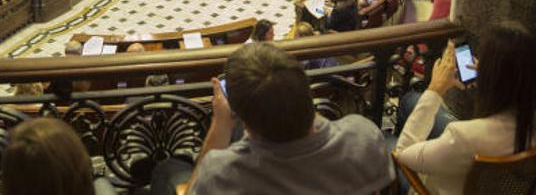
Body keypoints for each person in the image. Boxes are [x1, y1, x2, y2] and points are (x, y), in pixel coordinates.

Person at [150, 43, 395, 195]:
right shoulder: (364, 136)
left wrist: (220, 124)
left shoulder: (221, 173)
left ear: (244, 121)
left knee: (168, 171)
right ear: (306, 90)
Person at [396, 26, 536, 195]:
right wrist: (498, 79)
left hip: (439, 184)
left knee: (387, 140)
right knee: (412, 101)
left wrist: (435, 90)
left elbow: (402, 153)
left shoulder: (463, 137)